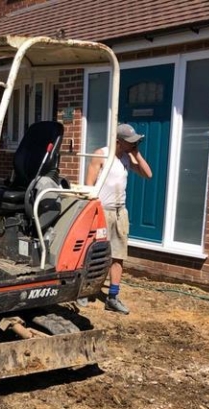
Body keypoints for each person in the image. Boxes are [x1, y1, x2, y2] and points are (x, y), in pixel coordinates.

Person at [84, 123, 152, 315]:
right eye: (129, 142)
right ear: (117, 141)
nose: (132, 145)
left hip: (120, 212)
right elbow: (89, 186)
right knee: (94, 252)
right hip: (102, 211)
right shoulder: (101, 155)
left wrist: (136, 154)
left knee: (118, 255)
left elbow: (148, 174)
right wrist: (92, 212)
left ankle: (112, 297)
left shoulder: (127, 158)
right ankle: (84, 290)